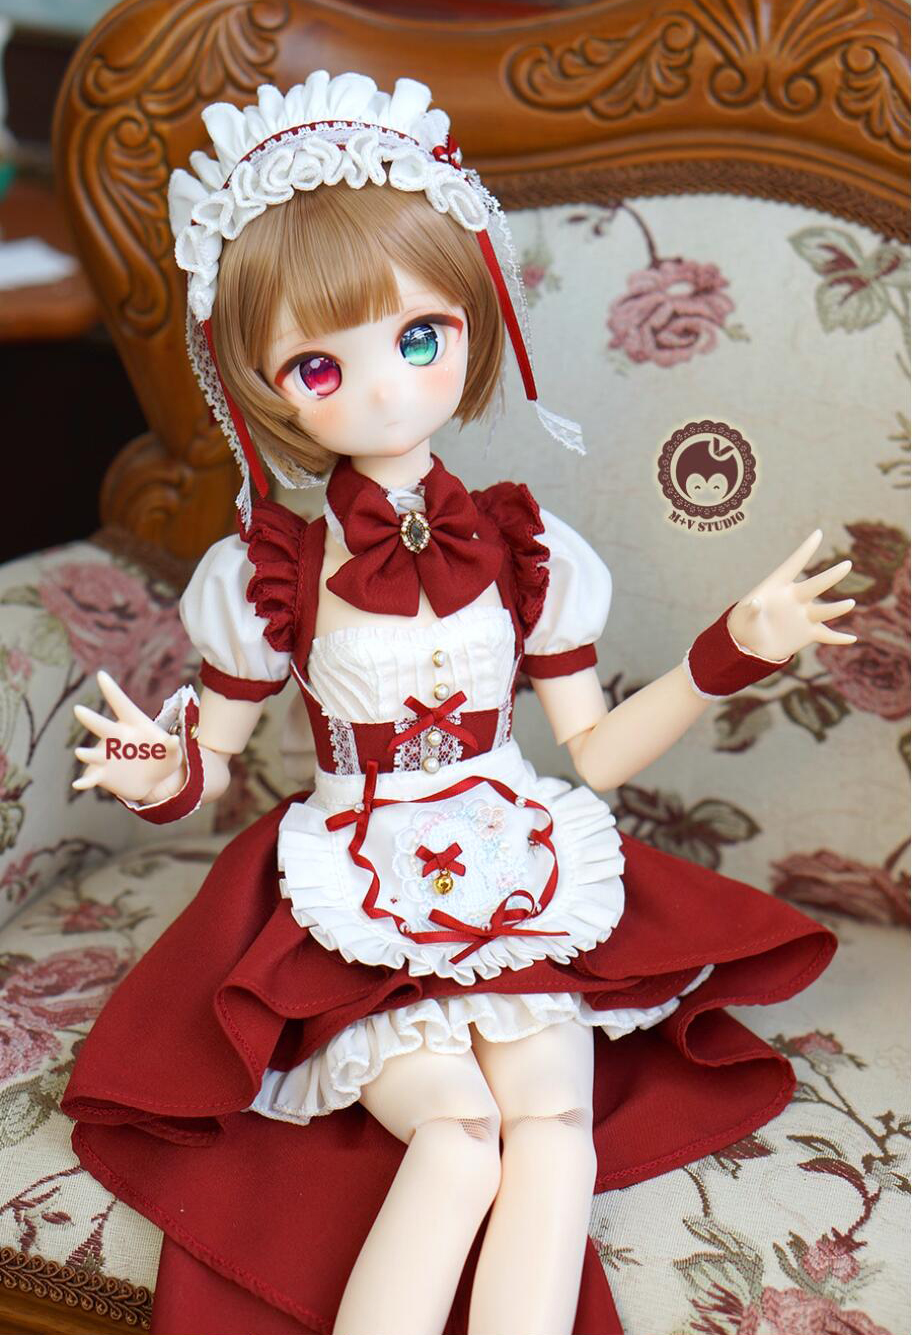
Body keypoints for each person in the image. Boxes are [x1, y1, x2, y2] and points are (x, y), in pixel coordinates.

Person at [61, 70, 857, 1335]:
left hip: (518, 865)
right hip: (354, 889)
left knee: (552, 1127)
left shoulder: (528, 549)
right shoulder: (270, 571)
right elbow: (211, 759)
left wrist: (729, 653)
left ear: (473, 320)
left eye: (418, 337)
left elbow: (595, 753)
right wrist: (166, 773)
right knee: (457, 1136)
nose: (384, 390)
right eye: (319, 365)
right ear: (262, 381)